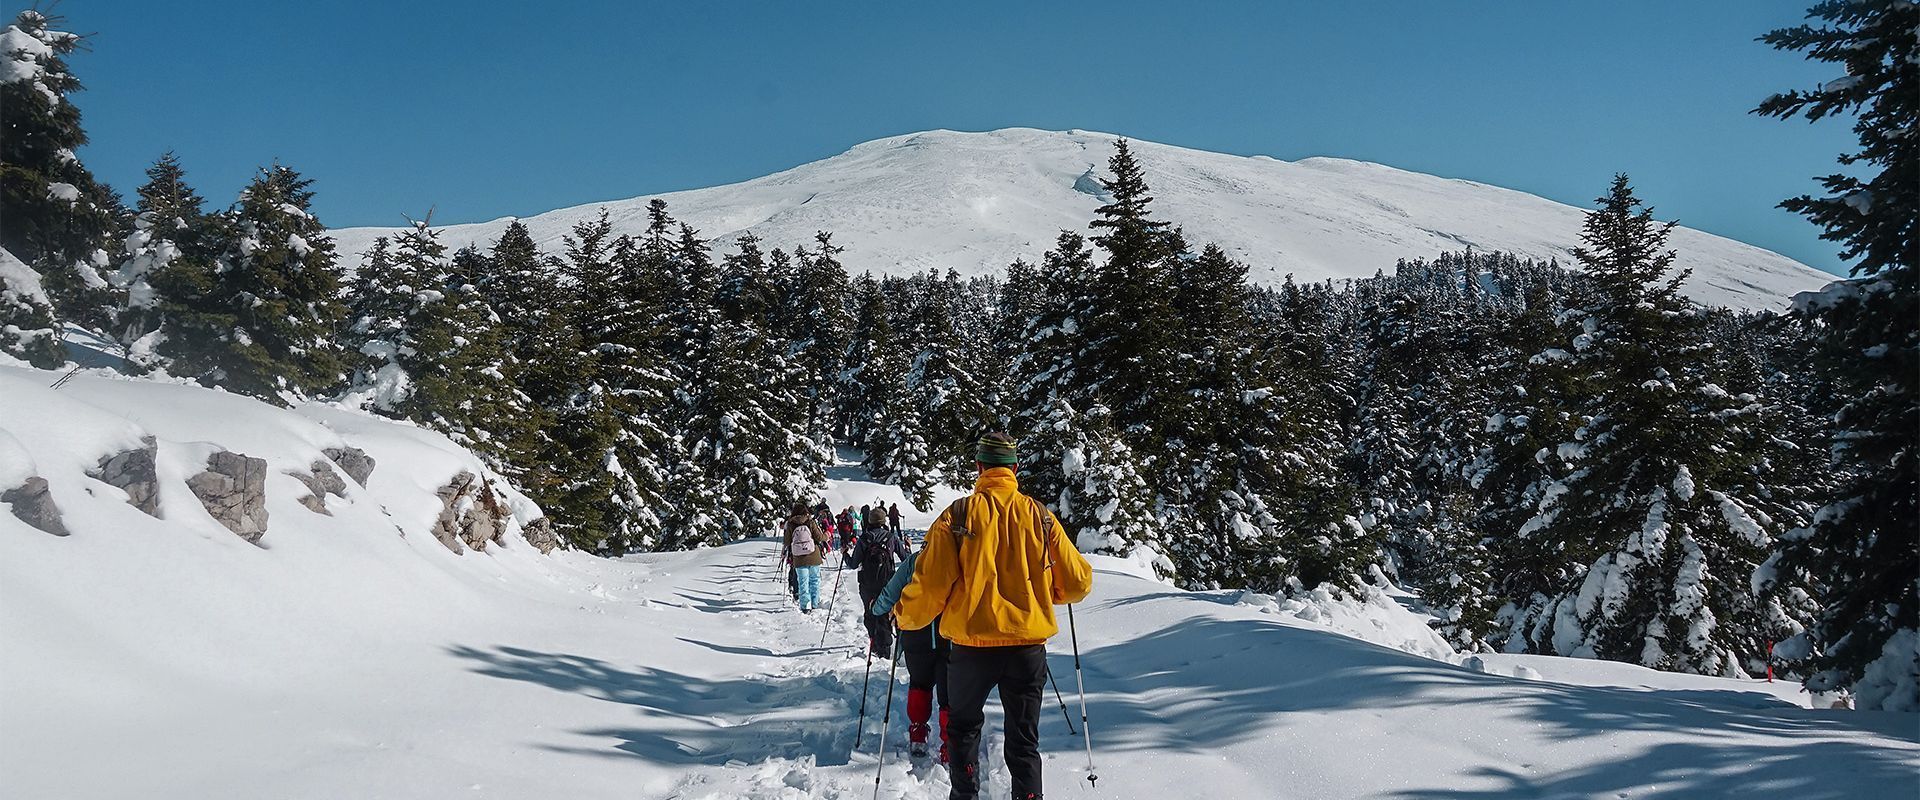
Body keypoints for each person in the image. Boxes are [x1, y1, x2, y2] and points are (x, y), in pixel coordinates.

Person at [893, 432, 1093, 800]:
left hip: (971, 647)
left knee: (963, 729)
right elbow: (1078, 582)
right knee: (1024, 741)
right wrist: (1050, 592)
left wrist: (903, 615)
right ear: (1014, 468)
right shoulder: (1040, 515)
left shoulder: (957, 515)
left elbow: (931, 588)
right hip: (1027, 647)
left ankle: (964, 794)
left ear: (979, 467)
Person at [870, 544, 951, 762]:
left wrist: (876, 609)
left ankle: (918, 734)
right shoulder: (957, 559)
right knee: (949, 694)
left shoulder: (915, 560)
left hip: (916, 634)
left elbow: (891, 592)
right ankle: (950, 746)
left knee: (920, 684)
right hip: (950, 636)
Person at [848, 508, 910, 657]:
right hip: (888, 583)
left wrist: (845, 554)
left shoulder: (864, 539)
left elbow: (853, 564)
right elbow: (906, 559)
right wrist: (907, 546)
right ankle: (885, 648)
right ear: (883, 521)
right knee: (885, 614)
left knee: (870, 613)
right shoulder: (891, 537)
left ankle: (874, 642)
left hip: (867, 585)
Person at [781, 502, 829, 613]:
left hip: (799, 558)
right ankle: (815, 603)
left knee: (803, 582)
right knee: (814, 580)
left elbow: (787, 542)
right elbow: (819, 537)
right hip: (813, 555)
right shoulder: (810, 522)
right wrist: (826, 536)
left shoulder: (791, 524)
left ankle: (805, 606)